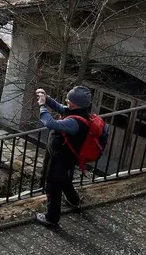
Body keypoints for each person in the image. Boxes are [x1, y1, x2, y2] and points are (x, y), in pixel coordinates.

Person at [33, 86, 108, 227]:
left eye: (69, 99)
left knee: (53, 185)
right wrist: (46, 97)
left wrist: (42, 105)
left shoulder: (75, 122)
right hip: (67, 156)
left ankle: (51, 218)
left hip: (62, 157)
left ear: (75, 103)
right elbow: (60, 108)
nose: (67, 100)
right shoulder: (80, 113)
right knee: (64, 178)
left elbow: (50, 123)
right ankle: (74, 200)